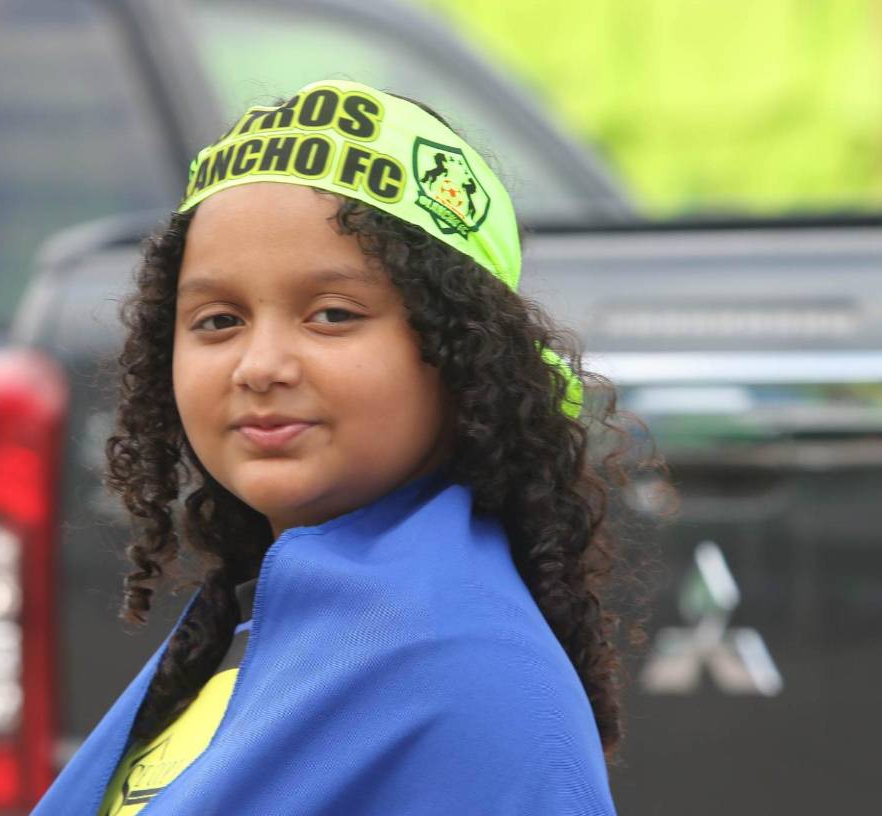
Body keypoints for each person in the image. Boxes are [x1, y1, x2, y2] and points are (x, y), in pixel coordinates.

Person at [33, 78, 661, 815]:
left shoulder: (467, 676)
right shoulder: (248, 629)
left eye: (332, 314)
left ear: (462, 352)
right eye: (217, 320)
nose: (260, 365)